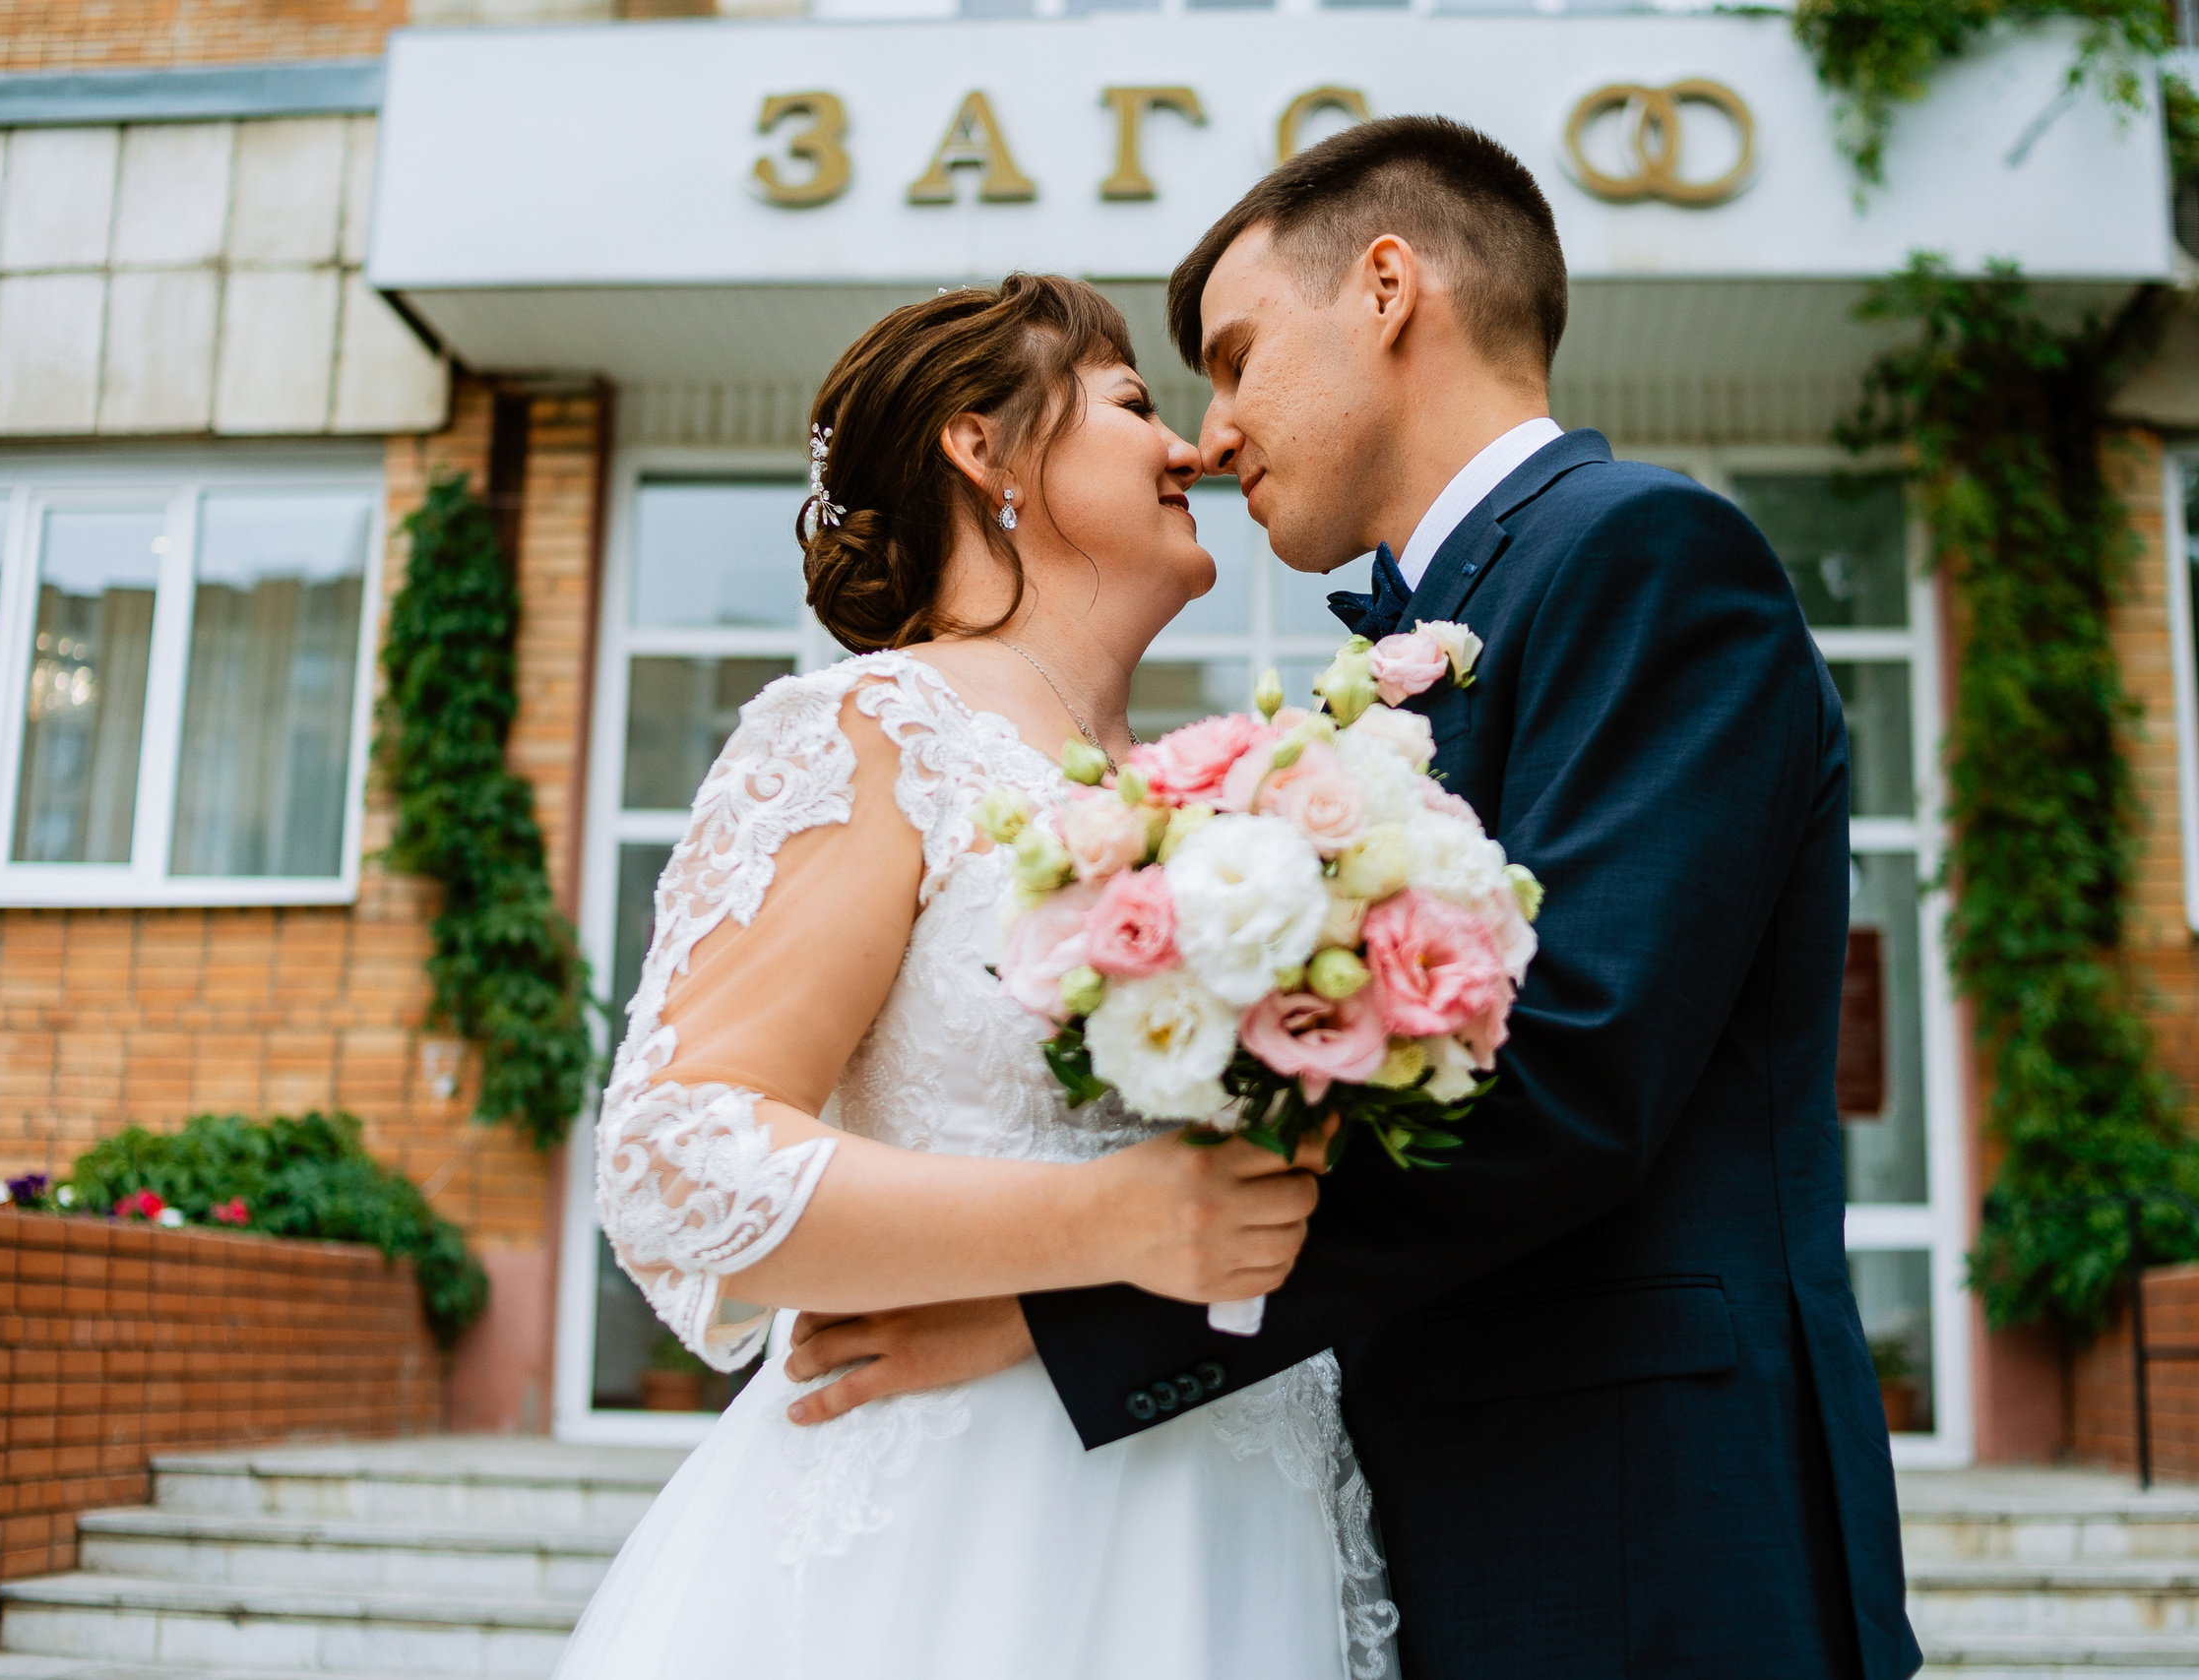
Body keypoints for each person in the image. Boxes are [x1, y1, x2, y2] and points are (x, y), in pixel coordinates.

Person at [783, 118, 1925, 1679]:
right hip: (1411, 1519)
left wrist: (1077, 1310)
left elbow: (1573, 1073)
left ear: (1388, 289)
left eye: (1239, 358)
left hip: (1633, 1533)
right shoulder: (1418, 642)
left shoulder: (1647, 557)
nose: (1215, 428)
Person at [553, 274, 1397, 1680]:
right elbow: (676, 1153)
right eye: (1134, 403)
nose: (1190, 443)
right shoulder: (868, 729)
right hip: (957, 1541)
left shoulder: (1223, 801)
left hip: (1236, 1513)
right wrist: (1096, 1228)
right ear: (982, 447)